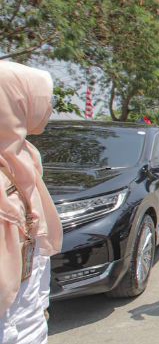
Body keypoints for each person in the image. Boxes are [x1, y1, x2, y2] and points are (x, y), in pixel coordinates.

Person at [0, 62, 63, 344]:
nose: (49, 108)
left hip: (29, 317)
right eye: (45, 99)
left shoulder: (24, 158)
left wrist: (40, 306)